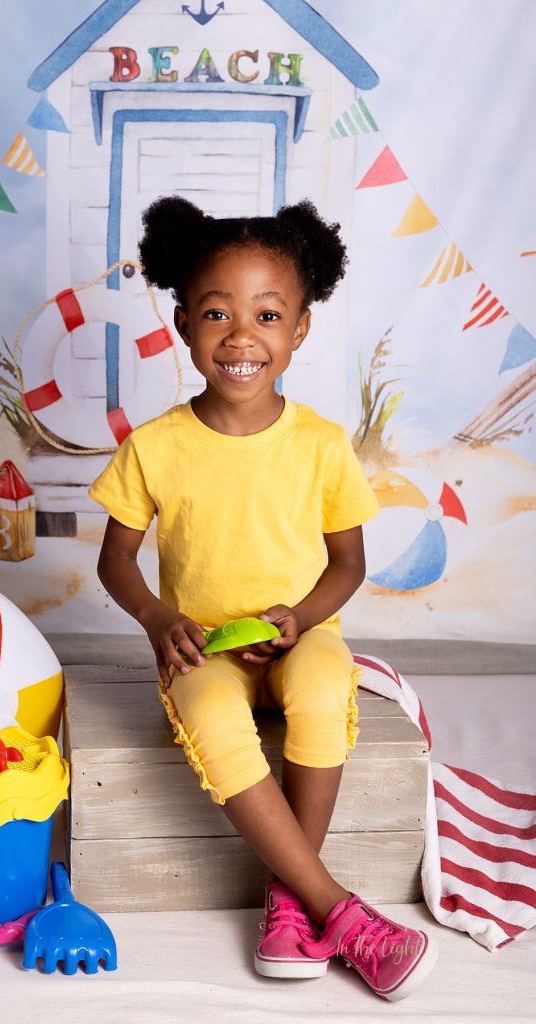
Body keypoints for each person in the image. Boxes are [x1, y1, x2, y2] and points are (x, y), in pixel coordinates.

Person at [88, 195, 438, 1001]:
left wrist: (299, 620)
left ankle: (290, 905)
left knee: (320, 691)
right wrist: (155, 617)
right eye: (216, 312)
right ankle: (334, 909)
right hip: (200, 641)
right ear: (182, 324)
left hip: (299, 631)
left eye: (267, 314)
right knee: (213, 715)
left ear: (300, 330)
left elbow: (347, 564)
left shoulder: (317, 444)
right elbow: (116, 562)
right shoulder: (154, 446)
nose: (241, 335)